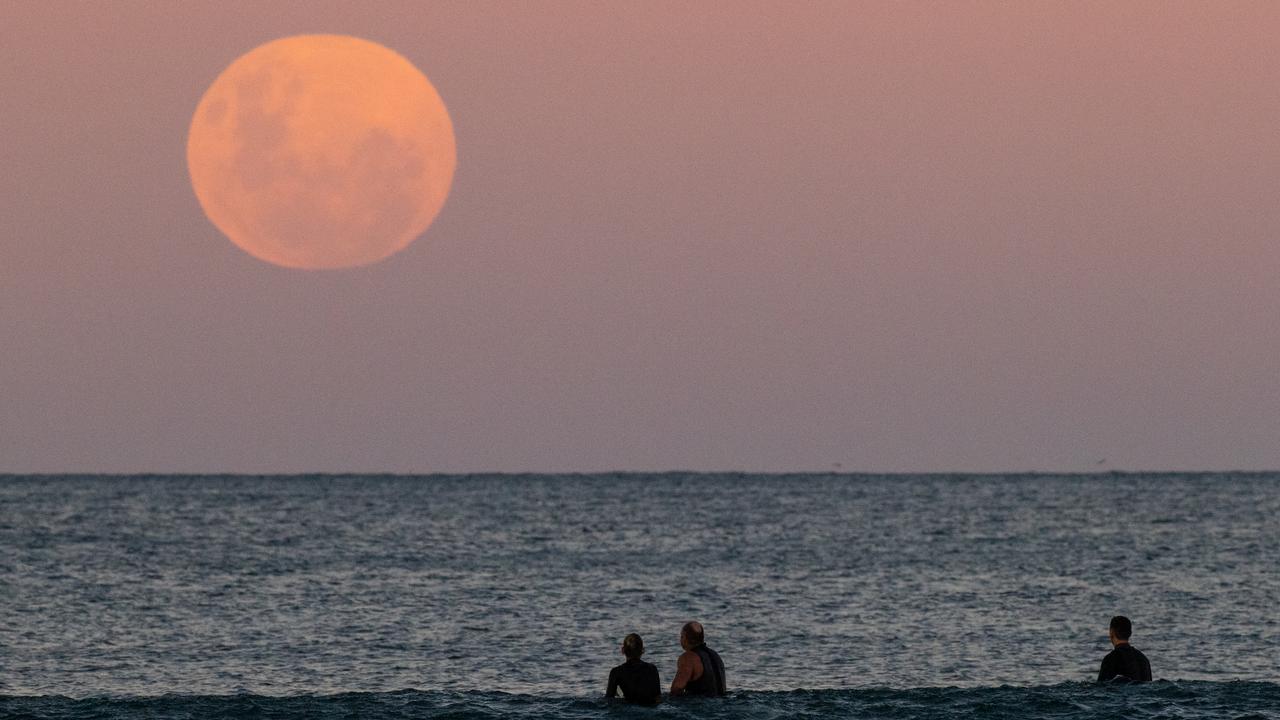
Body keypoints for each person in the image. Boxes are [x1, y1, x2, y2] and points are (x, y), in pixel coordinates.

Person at [670, 621, 726, 697]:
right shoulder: (715, 655)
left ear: (685, 638)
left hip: (700, 705)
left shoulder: (688, 657)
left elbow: (676, 688)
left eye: (681, 636)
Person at [606, 633, 661, 705]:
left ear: (623, 650)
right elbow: (658, 698)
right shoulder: (652, 669)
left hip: (628, 708)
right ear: (642, 650)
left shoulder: (616, 672)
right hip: (648, 708)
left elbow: (609, 699)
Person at [1097, 615, 1152, 683]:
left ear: (1111, 632)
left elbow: (1100, 689)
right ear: (1130, 633)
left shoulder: (1110, 659)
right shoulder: (1144, 659)